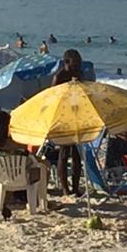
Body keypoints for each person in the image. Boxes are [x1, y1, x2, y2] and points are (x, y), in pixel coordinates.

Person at [50, 49, 86, 196]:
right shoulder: (59, 77)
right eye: (74, 64)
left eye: (79, 64)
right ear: (66, 62)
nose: (77, 67)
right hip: (63, 116)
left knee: (77, 154)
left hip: (77, 114)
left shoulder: (79, 74)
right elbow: (52, 98)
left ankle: (76, 187)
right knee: (64, 153)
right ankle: (65, 188)